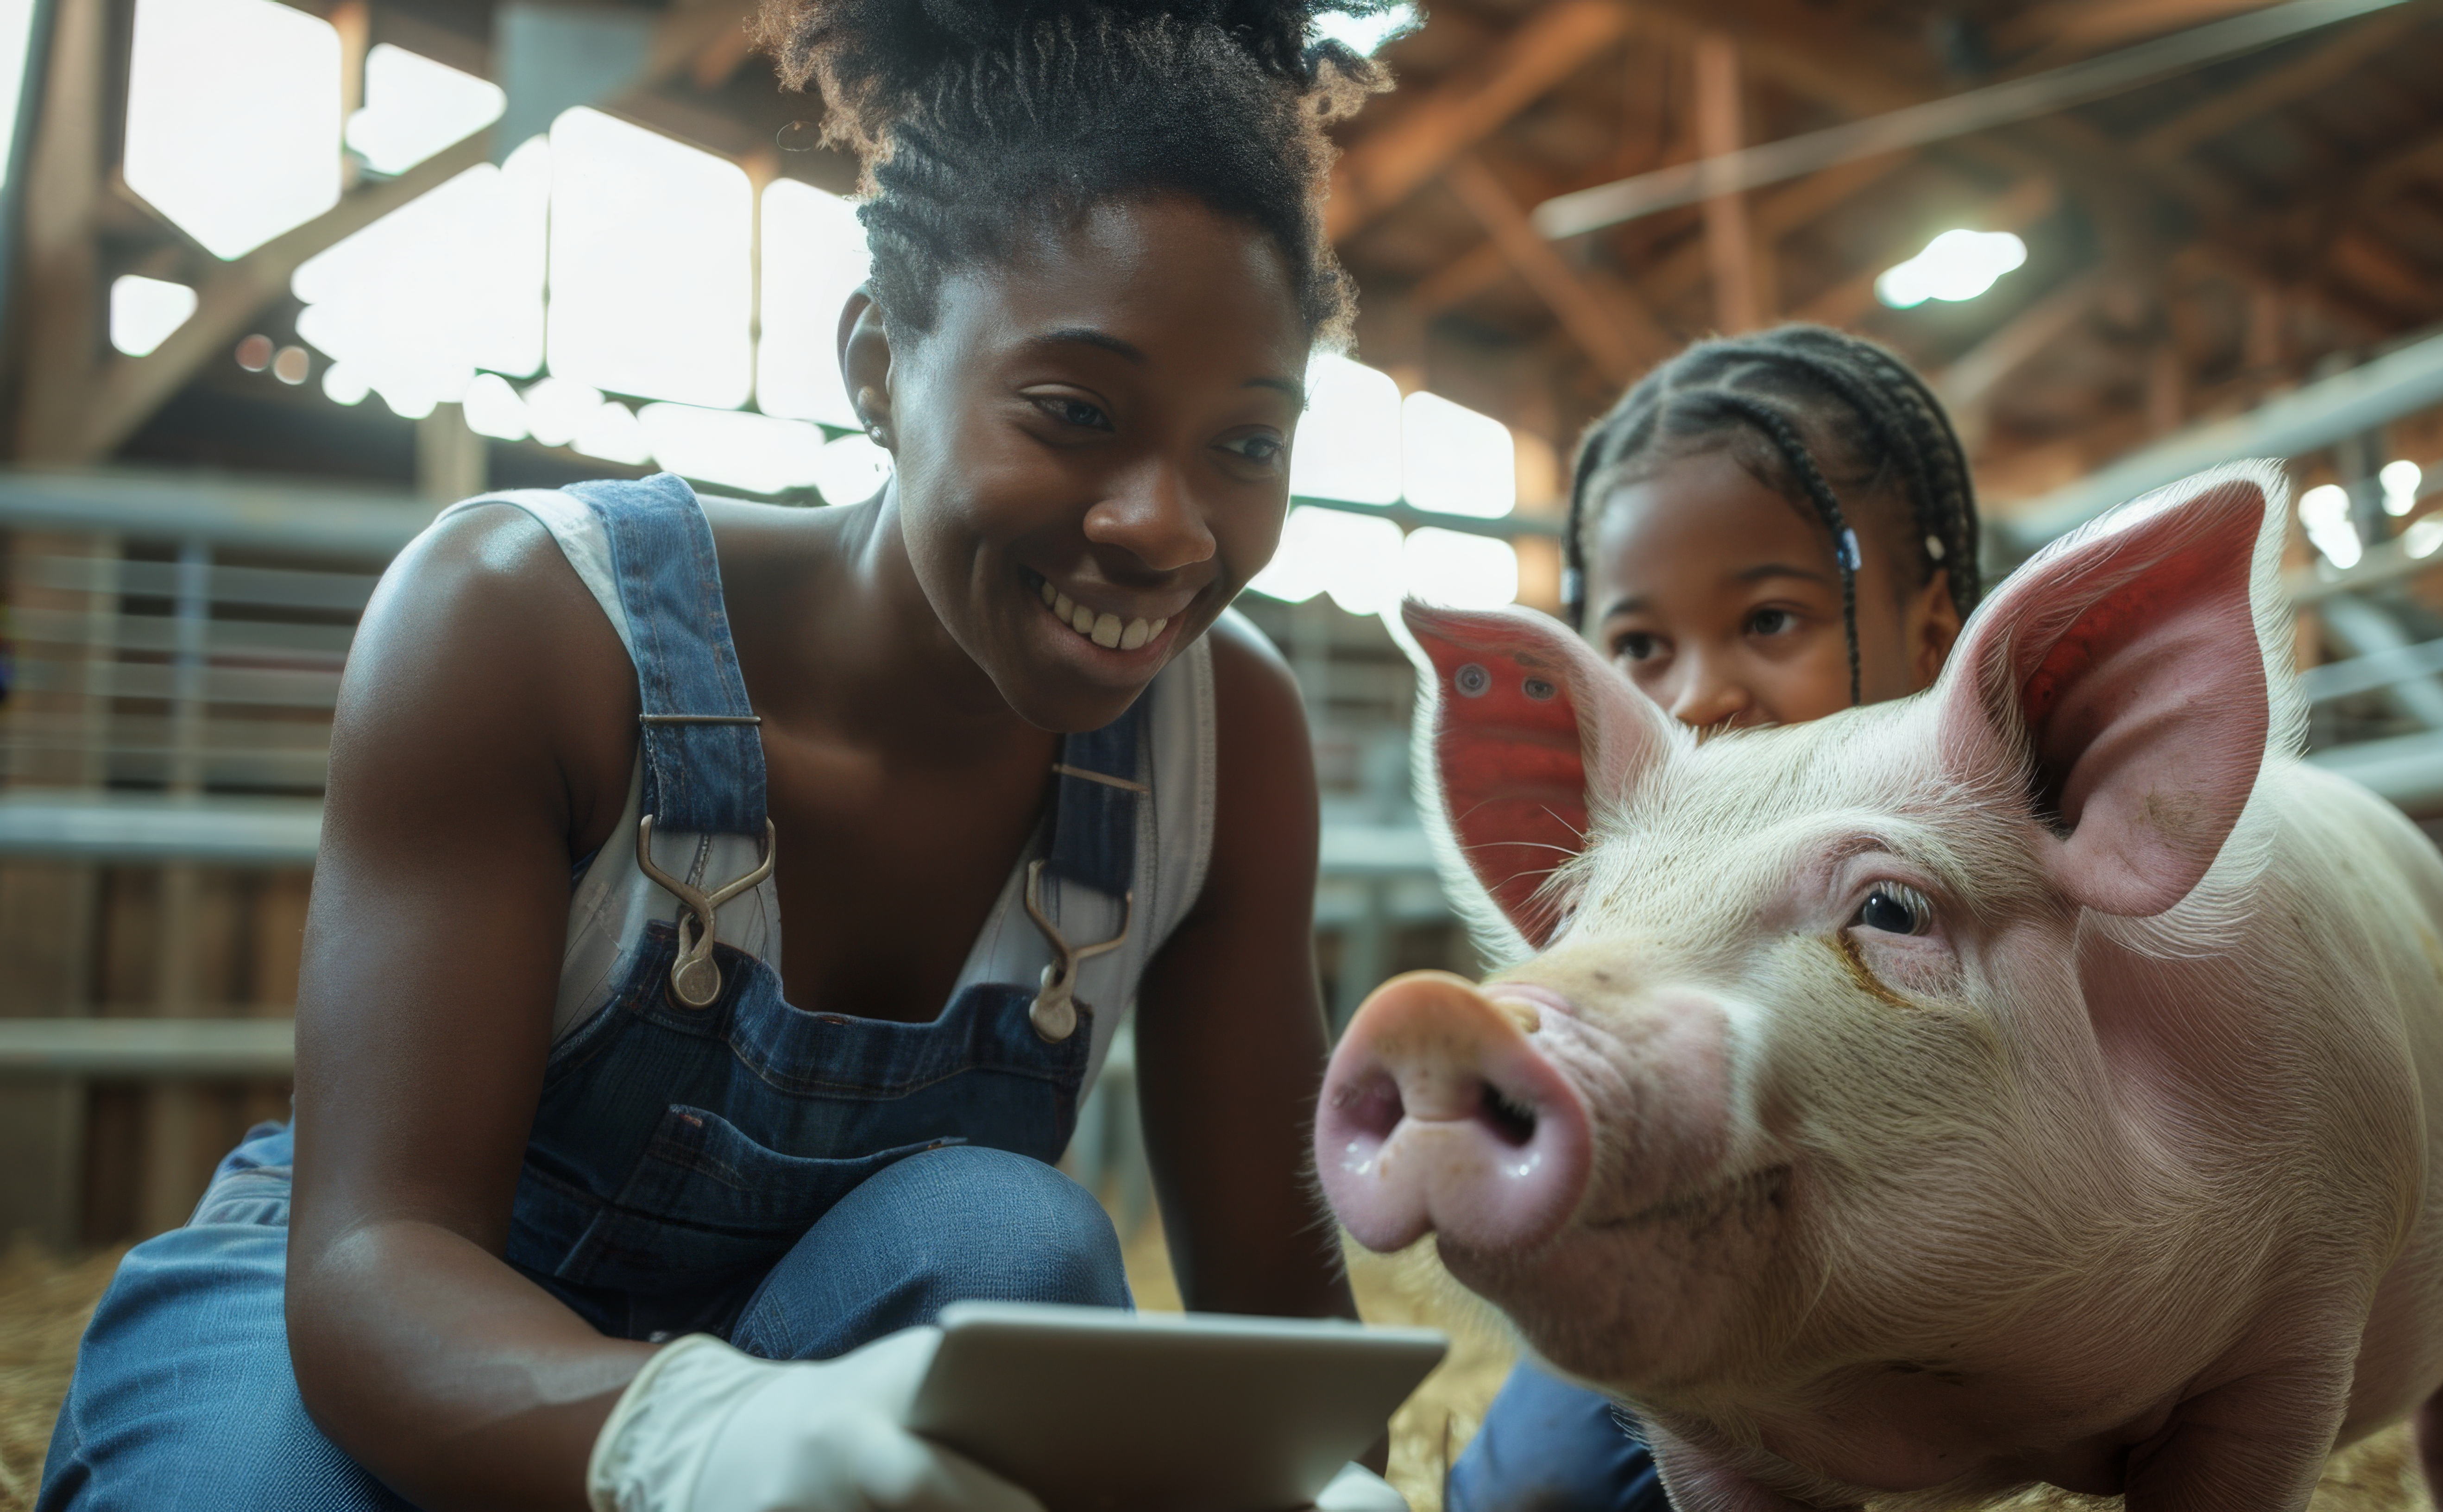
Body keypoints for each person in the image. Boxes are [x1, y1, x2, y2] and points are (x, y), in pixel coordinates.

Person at [38, 1, 1399, 1507]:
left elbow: (1285, 1347)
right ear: (880, 365)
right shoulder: (533, 622)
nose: (1164, 524)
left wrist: (1329, 1488)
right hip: (391, 1334)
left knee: (1014, 1241)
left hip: (812, 1356)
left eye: (1247, 445)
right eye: (1074, 411)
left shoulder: (1223, 743)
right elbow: (371, 1262)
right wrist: (701, 1439)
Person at [1442, 323, 1985, 1512]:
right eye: (1638, 646)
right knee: (1540, 1488)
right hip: (1711, 1283)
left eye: (1769, 621)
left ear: (1933, 636)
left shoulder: (2009, 894)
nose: (1697, 693)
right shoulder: (1620, 911)